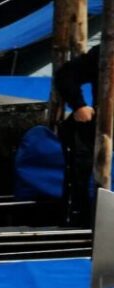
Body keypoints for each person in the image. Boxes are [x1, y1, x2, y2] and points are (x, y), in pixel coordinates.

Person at [54, 45, 100, 227]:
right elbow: (66, 75)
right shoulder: (105, 52)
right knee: (82, 171)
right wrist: (79, 105)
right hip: (102, 130)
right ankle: (82, 218)